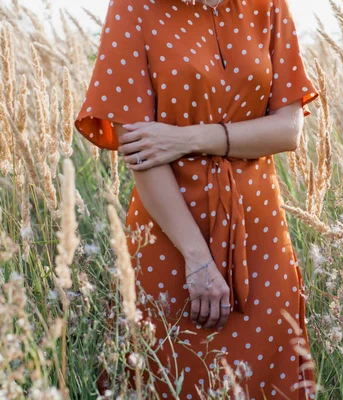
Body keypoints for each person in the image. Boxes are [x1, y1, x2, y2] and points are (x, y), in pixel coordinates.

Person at [74, 0, 320, 398]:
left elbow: (289, 129)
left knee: (268, 379)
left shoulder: (267, 5)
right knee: (173, 375)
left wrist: (189, 138)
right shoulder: (133, 8)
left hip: (262, 239)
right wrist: (197, 258)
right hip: (171, 240)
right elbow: (139, 149)